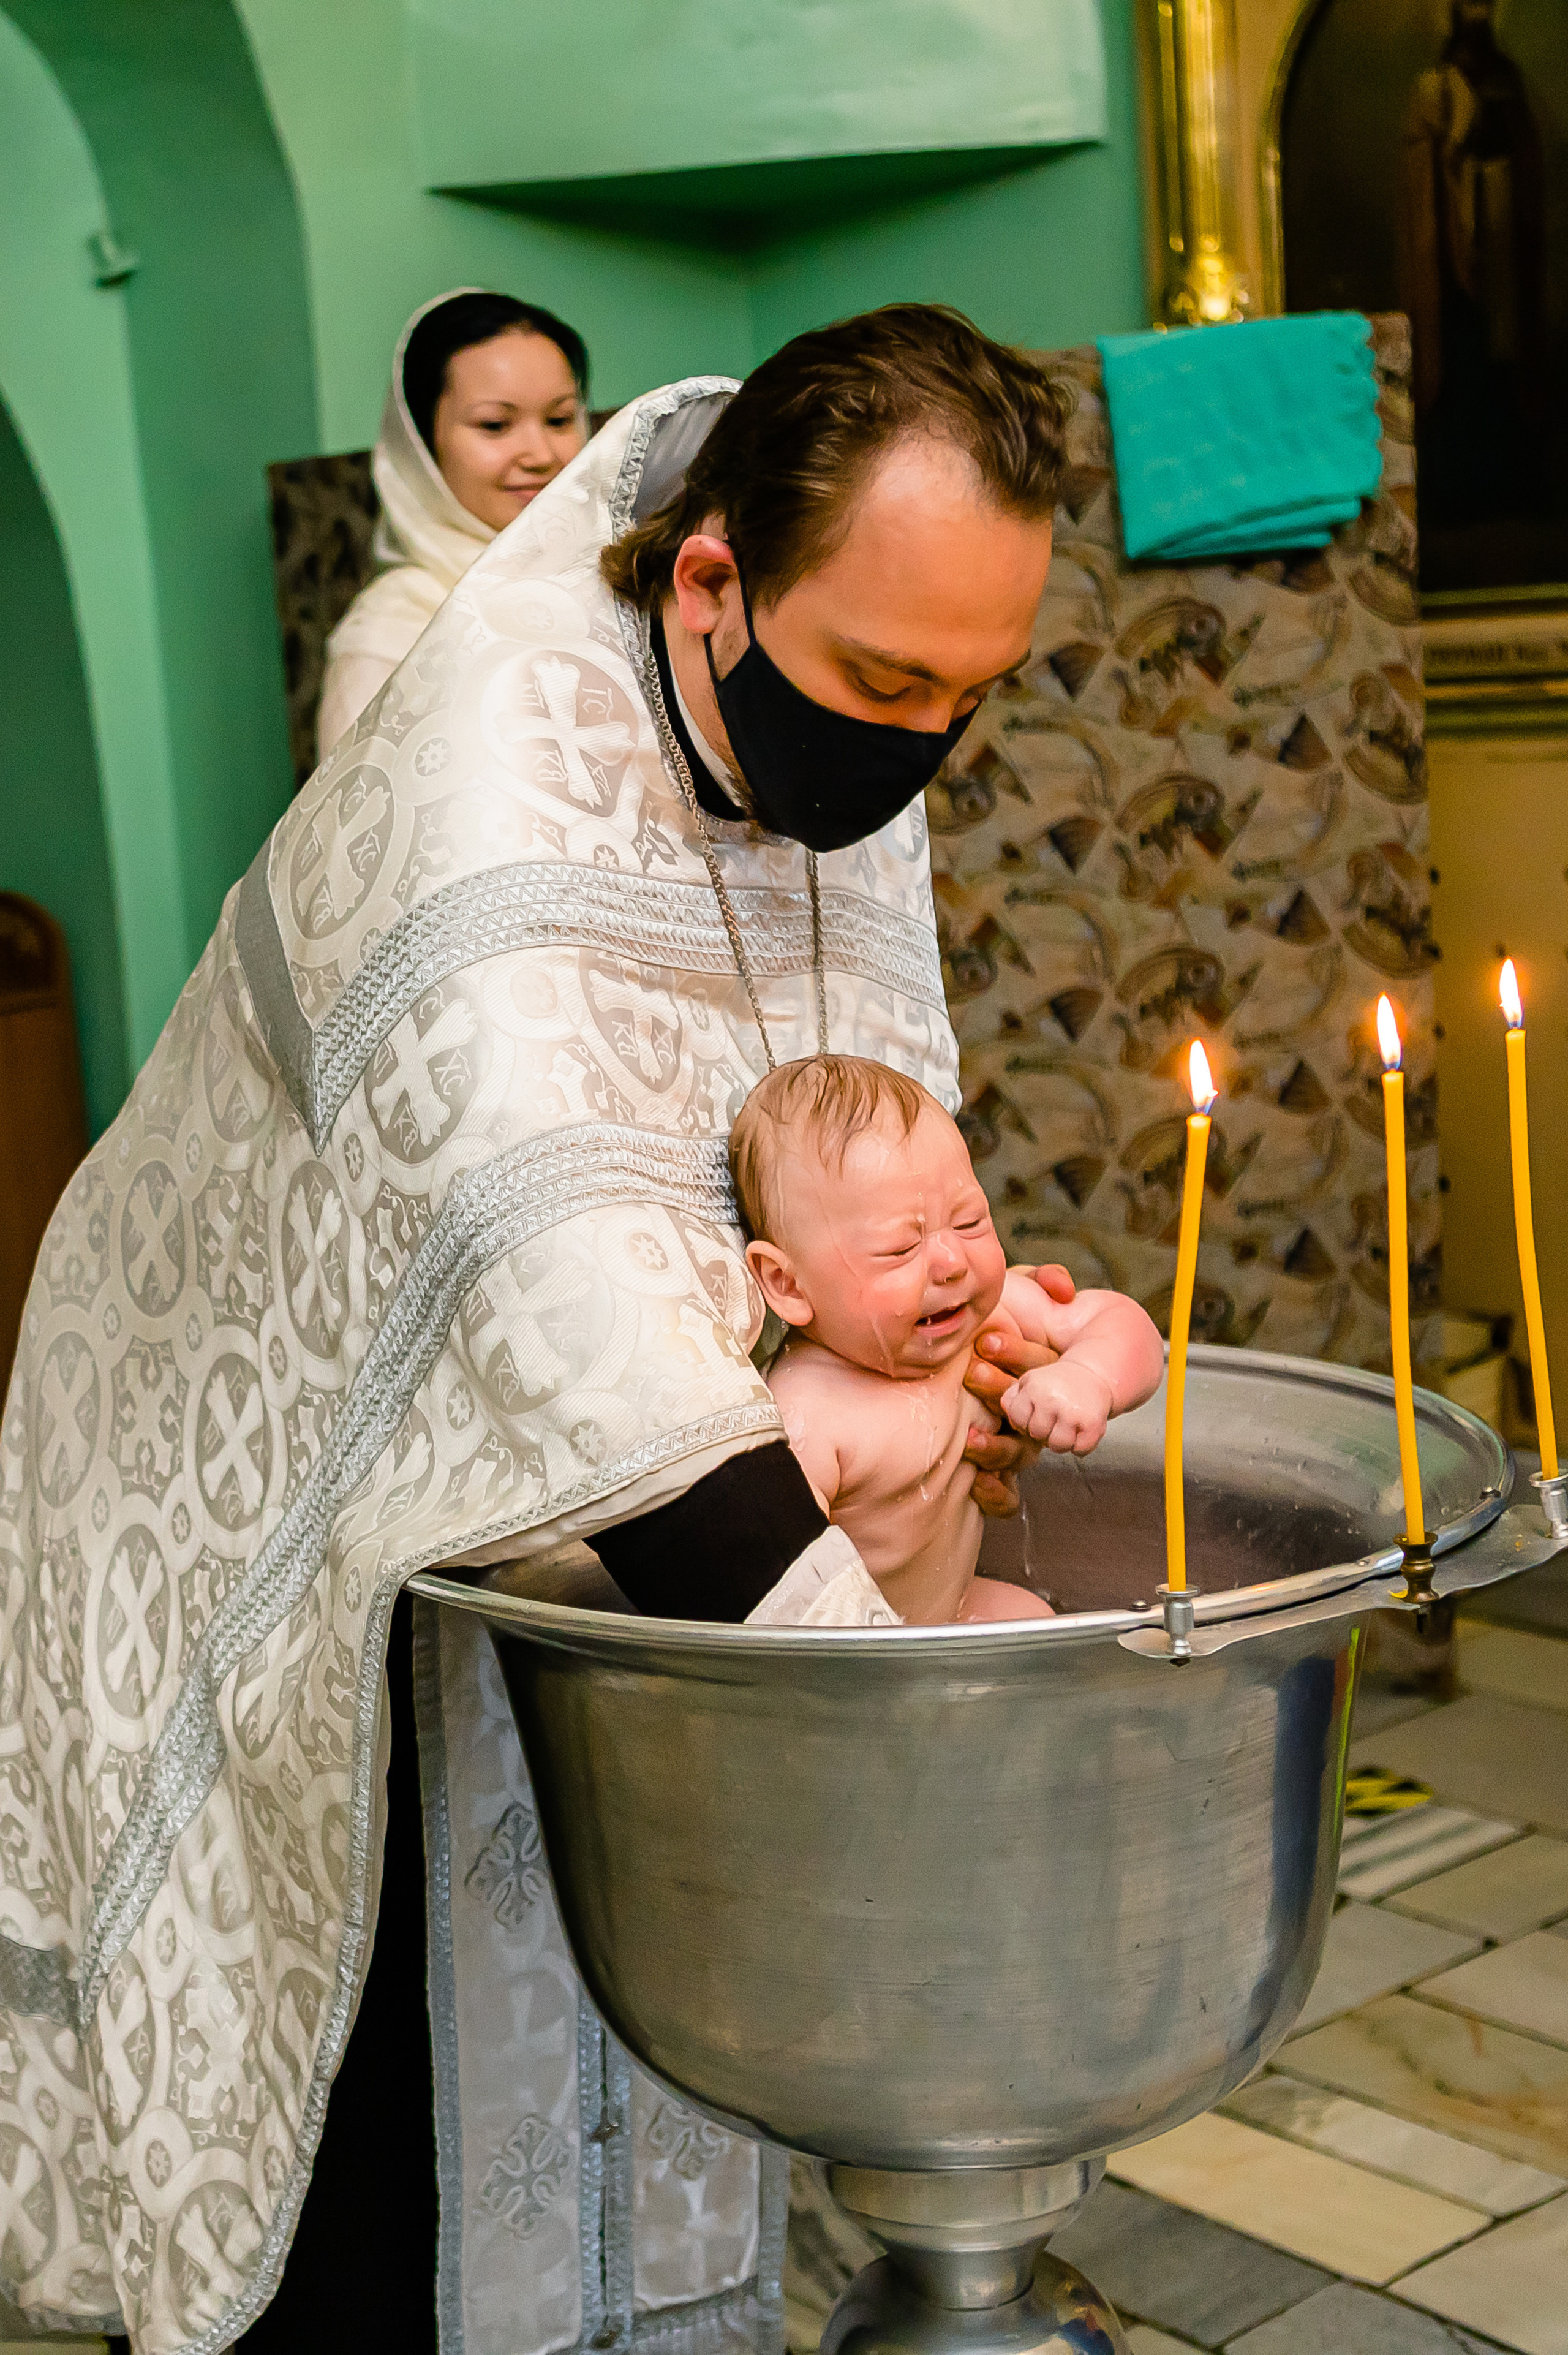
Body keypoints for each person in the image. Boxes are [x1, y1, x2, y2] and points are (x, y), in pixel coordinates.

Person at [0, 307, 1070, 2353]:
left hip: (593, 1450)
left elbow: (854, 1110)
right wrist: (920, 1731)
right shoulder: (485, 770)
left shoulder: (848, 708)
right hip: (268, 1452)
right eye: (881, 682)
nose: (919, 744)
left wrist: (940, 1348)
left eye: (970, 696)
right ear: (711, 576)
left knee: (618, 1963)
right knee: (377, 2092)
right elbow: (564, 1303)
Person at [733, 1056, 1163, 1624]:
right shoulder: (807, 1418)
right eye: (899, 1250)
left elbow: (1126, 1328)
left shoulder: (985, 1319)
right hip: (861, 1661)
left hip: (956, 1611)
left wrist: (1090, 1377)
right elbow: (772, 1598)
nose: (953, 1262)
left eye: (970, 1222)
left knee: (1032, 1620)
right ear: (788, 1285)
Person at [317, 288, 591, 756]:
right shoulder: (397, 628)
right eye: (495, 426)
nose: (542, 456)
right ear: (422, 447)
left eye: (560, 419)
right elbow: (359, 819)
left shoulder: (615, 581)